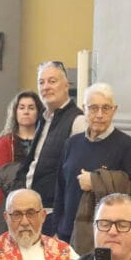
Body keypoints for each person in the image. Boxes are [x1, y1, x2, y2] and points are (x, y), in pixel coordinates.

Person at [54, 83, 131, 250]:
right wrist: (57, 229)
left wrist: (96, 182)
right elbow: (60, 189)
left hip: (107, 239)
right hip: (66, 234)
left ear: (114, 110)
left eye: (106, 108)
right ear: (84, 110)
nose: (100, 115)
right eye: (93, 108)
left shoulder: (127, 146)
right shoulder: (72, 143)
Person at [19, 61, 87, 235]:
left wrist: (62, 222)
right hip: (30, 209)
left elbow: (75, 177)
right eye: (41, 82)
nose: (46, 87)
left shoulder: (77, 121)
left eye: (52, 81)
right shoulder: (44, 118)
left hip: (52, 214)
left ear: (66, 85)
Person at [0, 90, 41, 215]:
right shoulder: (6, 141)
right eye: (22, 108)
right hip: (11, 202)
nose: (26, 112)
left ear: (38, 112)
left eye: (31, 108)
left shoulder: (45, 139)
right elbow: (1, 180)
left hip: (40, 199)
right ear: (15, 112)